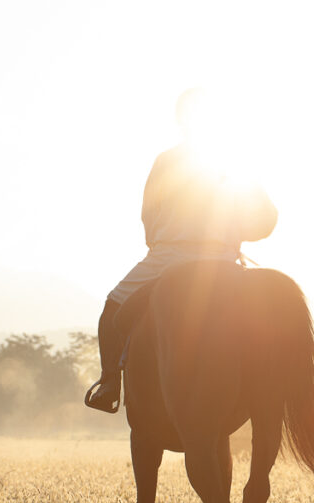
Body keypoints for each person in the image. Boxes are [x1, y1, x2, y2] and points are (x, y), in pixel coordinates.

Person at [85, 89, 278, 412]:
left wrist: (161, 241)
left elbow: (149, 216)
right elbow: (267, 218)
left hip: (169, 257)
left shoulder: (166, 160)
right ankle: (276, 388)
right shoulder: (234, 159)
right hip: (222, 259)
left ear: (180, 120)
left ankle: (109, 385)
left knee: (113, 308)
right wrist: (233, 237)